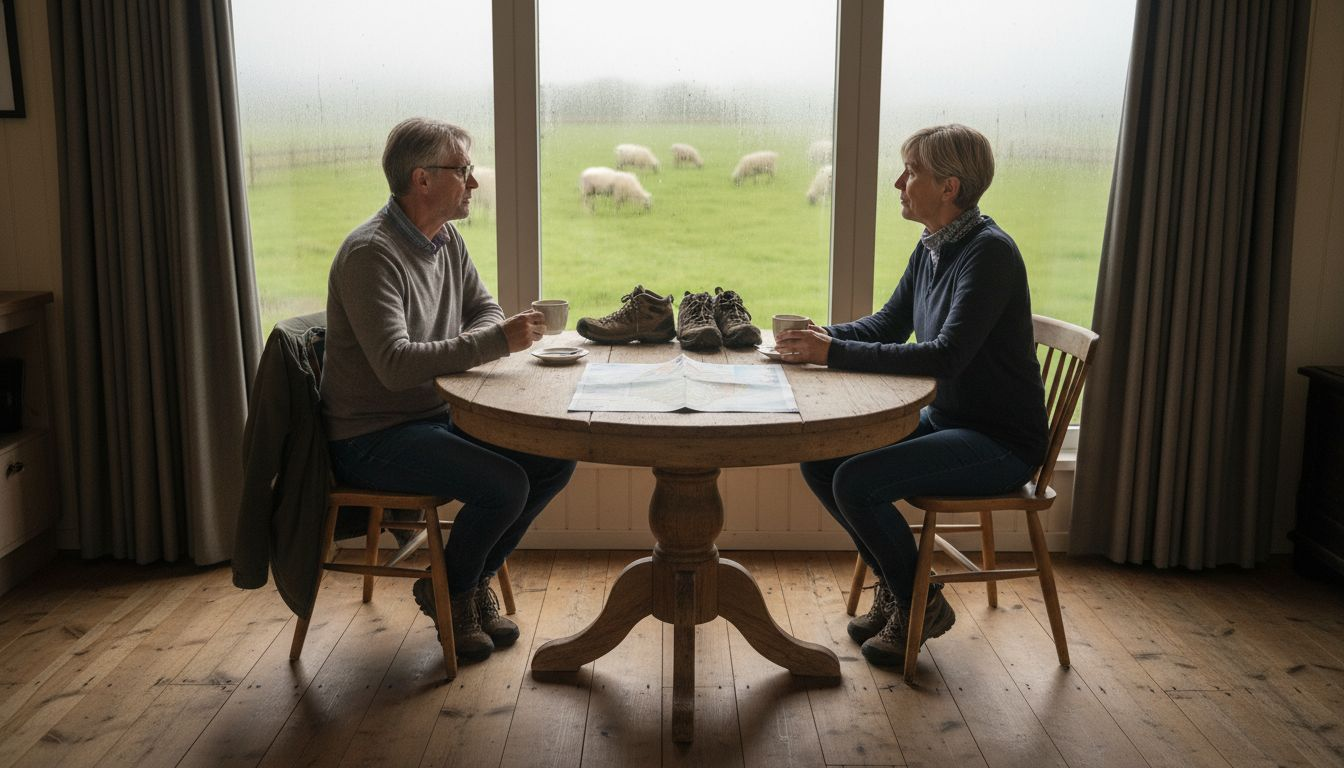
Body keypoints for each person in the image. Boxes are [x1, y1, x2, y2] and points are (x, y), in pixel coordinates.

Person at [775, 124, 1047, 668]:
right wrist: (820, 337)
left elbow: (944, 355)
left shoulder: (988, 254)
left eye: (911, 171)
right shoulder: (933, 247)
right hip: (951, 418)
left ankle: (919, 602)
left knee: (855, 481)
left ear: (949, 187)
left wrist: (830, 354)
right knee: (822, 460)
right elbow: (887, 326)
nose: (898, 182)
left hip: (1001, 441)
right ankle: (900, 589)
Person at [322, 118, 576, 663]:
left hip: (430, 417)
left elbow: (483, 307)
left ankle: (461, 584)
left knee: (554, 459)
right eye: (463, 170)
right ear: (423, 179)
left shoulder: (445, 238)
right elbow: (393, 366)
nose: (474, 182)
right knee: (504, 484)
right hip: (373, 434)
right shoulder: (372, 254)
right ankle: (455, 591)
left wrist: (488, 336)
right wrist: (494, 343)